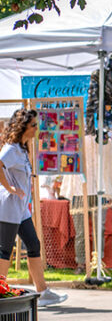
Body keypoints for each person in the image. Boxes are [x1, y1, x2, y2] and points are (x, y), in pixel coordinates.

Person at [0, 109, 67, 307]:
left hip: (21, 209)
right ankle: (1, 292)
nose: (37, 129)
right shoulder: (11, 149)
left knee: (34, 245)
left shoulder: (22, 148)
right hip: (9, 207)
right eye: (34, 125)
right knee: (5, 250)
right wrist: (9, 187)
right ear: (23, 127)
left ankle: (42, 291)